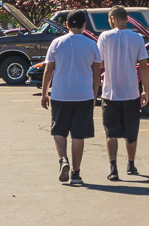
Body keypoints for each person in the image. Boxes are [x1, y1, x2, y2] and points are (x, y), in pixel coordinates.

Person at [41, 10, 102, 185]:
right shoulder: (91, 44)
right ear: (84, 25)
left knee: (59, 131)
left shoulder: (57, 43)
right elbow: (96, 73)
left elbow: (48, 70)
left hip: (60, 95)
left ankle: (63, 160)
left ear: (67, 24)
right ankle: (76, 173)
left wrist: (45, 93)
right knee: (78, 135)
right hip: (83, 95)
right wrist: (94, 94)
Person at [98, 6, 149, 181]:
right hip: (131, 93)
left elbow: (99, 63)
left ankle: (113, 168)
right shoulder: (137, 38)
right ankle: (131, 164)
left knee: (111, 133)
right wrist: (145, 90)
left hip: (110, 94)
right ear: (126, 19)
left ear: (112, 18)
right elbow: (143, 66)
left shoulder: (104, 37)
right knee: (131, 132)